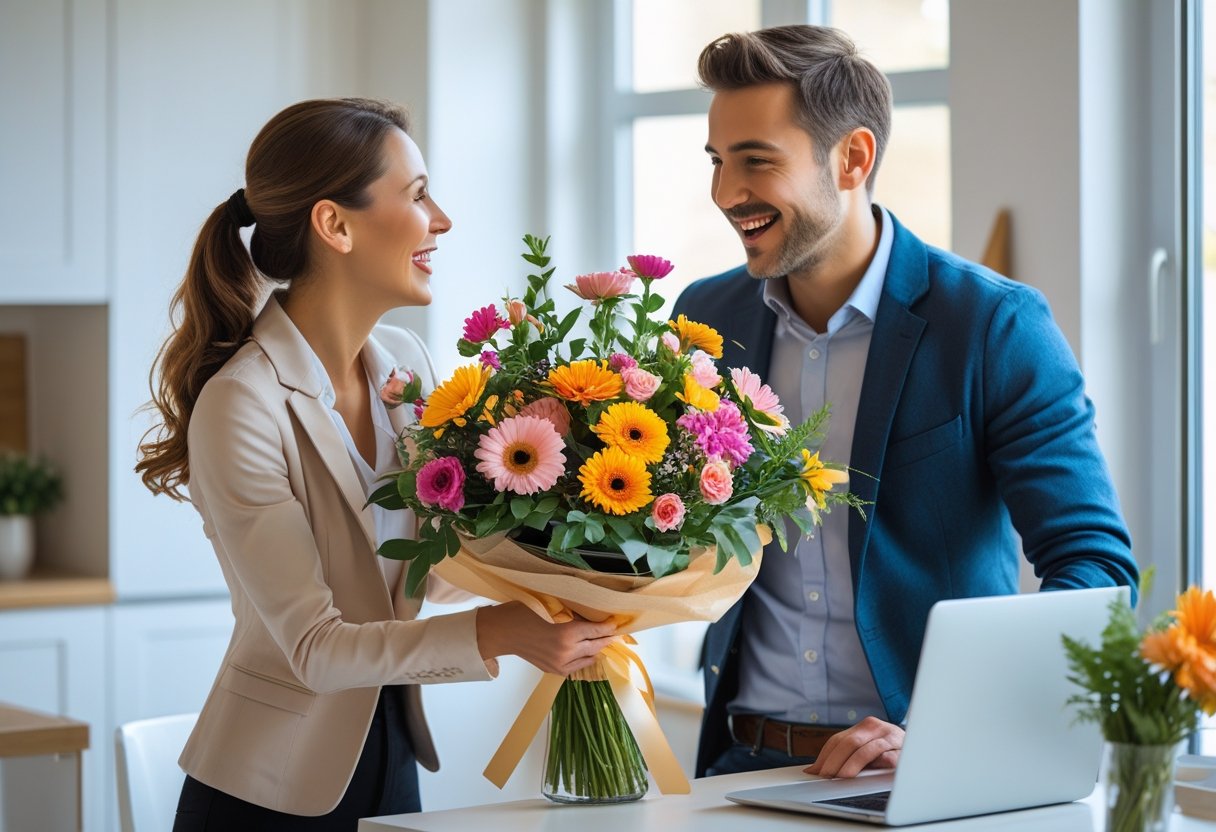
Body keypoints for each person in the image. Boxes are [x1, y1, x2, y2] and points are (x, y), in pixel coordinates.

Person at [671, 26, 1140, 782]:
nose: (727, 194)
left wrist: (946, 728)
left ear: (852, 158)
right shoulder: (705, 318)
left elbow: (1097, 571)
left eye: (757, 161)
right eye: (719, 162)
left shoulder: (994, 324)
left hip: (928, 773)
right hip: (735, 766)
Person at [135, 98, 617, 830]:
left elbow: (429, 568)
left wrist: (577, 572)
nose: (443, 220)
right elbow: (316, 648)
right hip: (267, 796)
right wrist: (502, 633)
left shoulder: (407, 365)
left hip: (390, 764)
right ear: (335, 225)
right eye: (418, 195)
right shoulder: (242, 404)